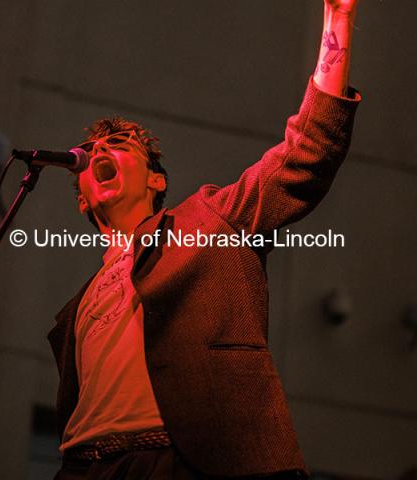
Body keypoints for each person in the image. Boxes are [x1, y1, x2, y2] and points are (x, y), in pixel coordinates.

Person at [49, 1, 361, 478]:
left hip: (182, 462)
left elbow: (306, 155)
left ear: (156, 182)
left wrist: (337, 19)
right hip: (86, 467)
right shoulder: (77, 308)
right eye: (91, 152)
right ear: (83, 201)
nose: (102, 150)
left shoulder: (208, 222)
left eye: (121, 145)